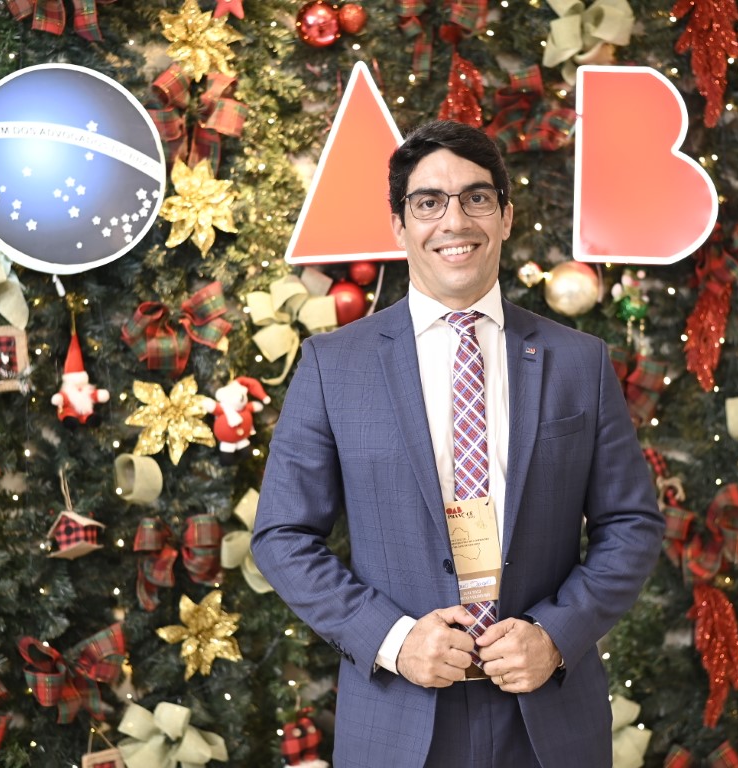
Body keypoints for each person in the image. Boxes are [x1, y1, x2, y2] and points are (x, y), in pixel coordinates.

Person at [251, 120, 664, 768]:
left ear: (506, 216)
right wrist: (393, 640)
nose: (455, 220)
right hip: (399, 716)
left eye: (476, 198)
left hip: (547, 718)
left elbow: (632, 525)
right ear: (399, 225)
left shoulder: (579, 361)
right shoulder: (334, 366)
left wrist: (555, 635)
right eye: (428, 202)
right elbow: (282, 536)